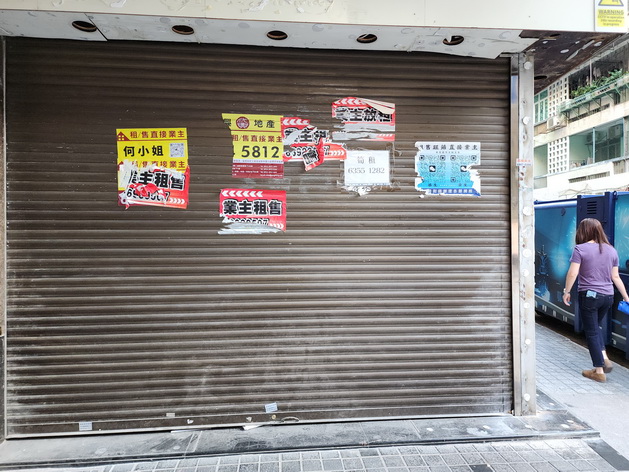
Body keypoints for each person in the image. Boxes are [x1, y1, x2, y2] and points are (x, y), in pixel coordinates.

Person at [562, 218, 629, 383]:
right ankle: (604, 357)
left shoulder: (580, 249)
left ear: (583, 231)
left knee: (591, 331)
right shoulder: (611, 250)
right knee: (595, 327)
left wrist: (567, 291)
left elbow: (572, 273)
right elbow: (615, 277)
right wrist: (626, 296)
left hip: (590, 296)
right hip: (608, 296)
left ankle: (599, 371)